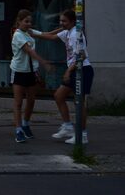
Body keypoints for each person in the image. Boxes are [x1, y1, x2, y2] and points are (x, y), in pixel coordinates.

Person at [31, 8, 94, 144]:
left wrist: (68, 71)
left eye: (64, 21)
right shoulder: (67, 32)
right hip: (75, 70)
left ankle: (82, 135)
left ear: (72, 21)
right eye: (60, 20)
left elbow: (81, 56)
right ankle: (67, 126)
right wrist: (32, 33)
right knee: (59, 96)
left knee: (79, 102)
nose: (61, 23)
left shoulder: (76, 34)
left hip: (82, 70)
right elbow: (50, 36)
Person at [10, 9, 52, 143]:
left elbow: (46, 35)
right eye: (26, 21)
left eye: (30, 22)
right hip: (19, 71)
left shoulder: (29, 32)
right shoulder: (17, 35)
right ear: (19, 22)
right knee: (18, 103)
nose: (29, 24)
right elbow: (28, 50)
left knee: (31, 100)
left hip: (31, 71)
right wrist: (43, 61)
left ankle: (26, 124)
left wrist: (62, 30)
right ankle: (18, 130)